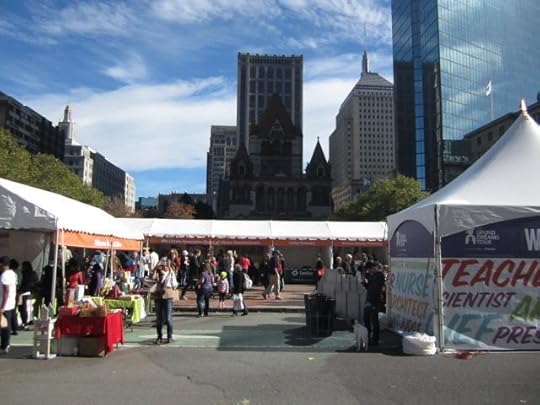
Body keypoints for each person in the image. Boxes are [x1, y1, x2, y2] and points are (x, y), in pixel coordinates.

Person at [152, 259, 176, 344]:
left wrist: (170, 270)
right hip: (158, 296)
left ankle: (169, 336)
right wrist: (155, 268)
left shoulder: (170, 273)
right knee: (159, 319)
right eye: (162, 266)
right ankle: (159, 336)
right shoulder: (158, 274)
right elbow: (152, 278)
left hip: (168, 297)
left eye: (165, 266)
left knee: (168, 319)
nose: (164, 267)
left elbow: (174, 284)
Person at [363, 262, 385, 345]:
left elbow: (375, 290)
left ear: (373, 267)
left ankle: (375, 340)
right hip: (370, 300)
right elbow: (370, 288)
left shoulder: (379, 275)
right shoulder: (374, 275)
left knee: (374, 321)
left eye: (369, 269)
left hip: (373, 301)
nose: (369, 271)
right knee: (367, 320)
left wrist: (371, 303)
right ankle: (368, 338)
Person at [0, 256, 17, 354]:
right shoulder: (12, 274)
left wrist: (2, 306)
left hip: (5, 304)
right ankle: (6, 344)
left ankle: (5, 345)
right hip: (10, 303)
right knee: (6, 325)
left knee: (4, 326)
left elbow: (6, 291)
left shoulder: (5, 275)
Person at [18, 261, 38, 329]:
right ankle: (27, 321)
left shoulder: (25, 274)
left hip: (24, 293)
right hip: (31, 293)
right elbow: (36, 282)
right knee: (28, 308)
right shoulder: (33, 273)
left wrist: (20, 290)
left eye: (23, 266)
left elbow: (26, 284)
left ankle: (25, 322)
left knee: (23, 308)